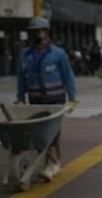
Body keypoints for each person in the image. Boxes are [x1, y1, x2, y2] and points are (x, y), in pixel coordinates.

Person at [15, 16, 78, 182]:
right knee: (39, 136)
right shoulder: (25, 55)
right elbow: (21, 79)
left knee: (52, 134)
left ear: (47, 32)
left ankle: (52, 165)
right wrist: (20, 98)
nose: (38, 34)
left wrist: (72, 98)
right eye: (34, 31)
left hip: (55, 101)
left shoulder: (58, 54)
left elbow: (68, 76)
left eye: (41, 30)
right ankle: (51, 163)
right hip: (35, 101)